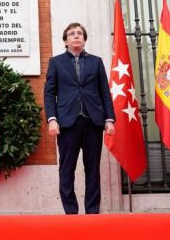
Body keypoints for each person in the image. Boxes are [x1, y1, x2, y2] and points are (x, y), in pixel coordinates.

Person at [44, 22, 115, 214]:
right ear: (66, 40)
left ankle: (92, 212)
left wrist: (109, 119)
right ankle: (71, 213)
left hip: (93, 122)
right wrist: (52, 119)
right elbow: (49, 93)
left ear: (84, 39)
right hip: (67, 123)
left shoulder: (96, 62)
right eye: (72, 34)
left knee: (92, 169)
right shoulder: (56, 62)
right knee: (66, 170)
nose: (76, 36)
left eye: (79, 34)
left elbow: (104, 92)